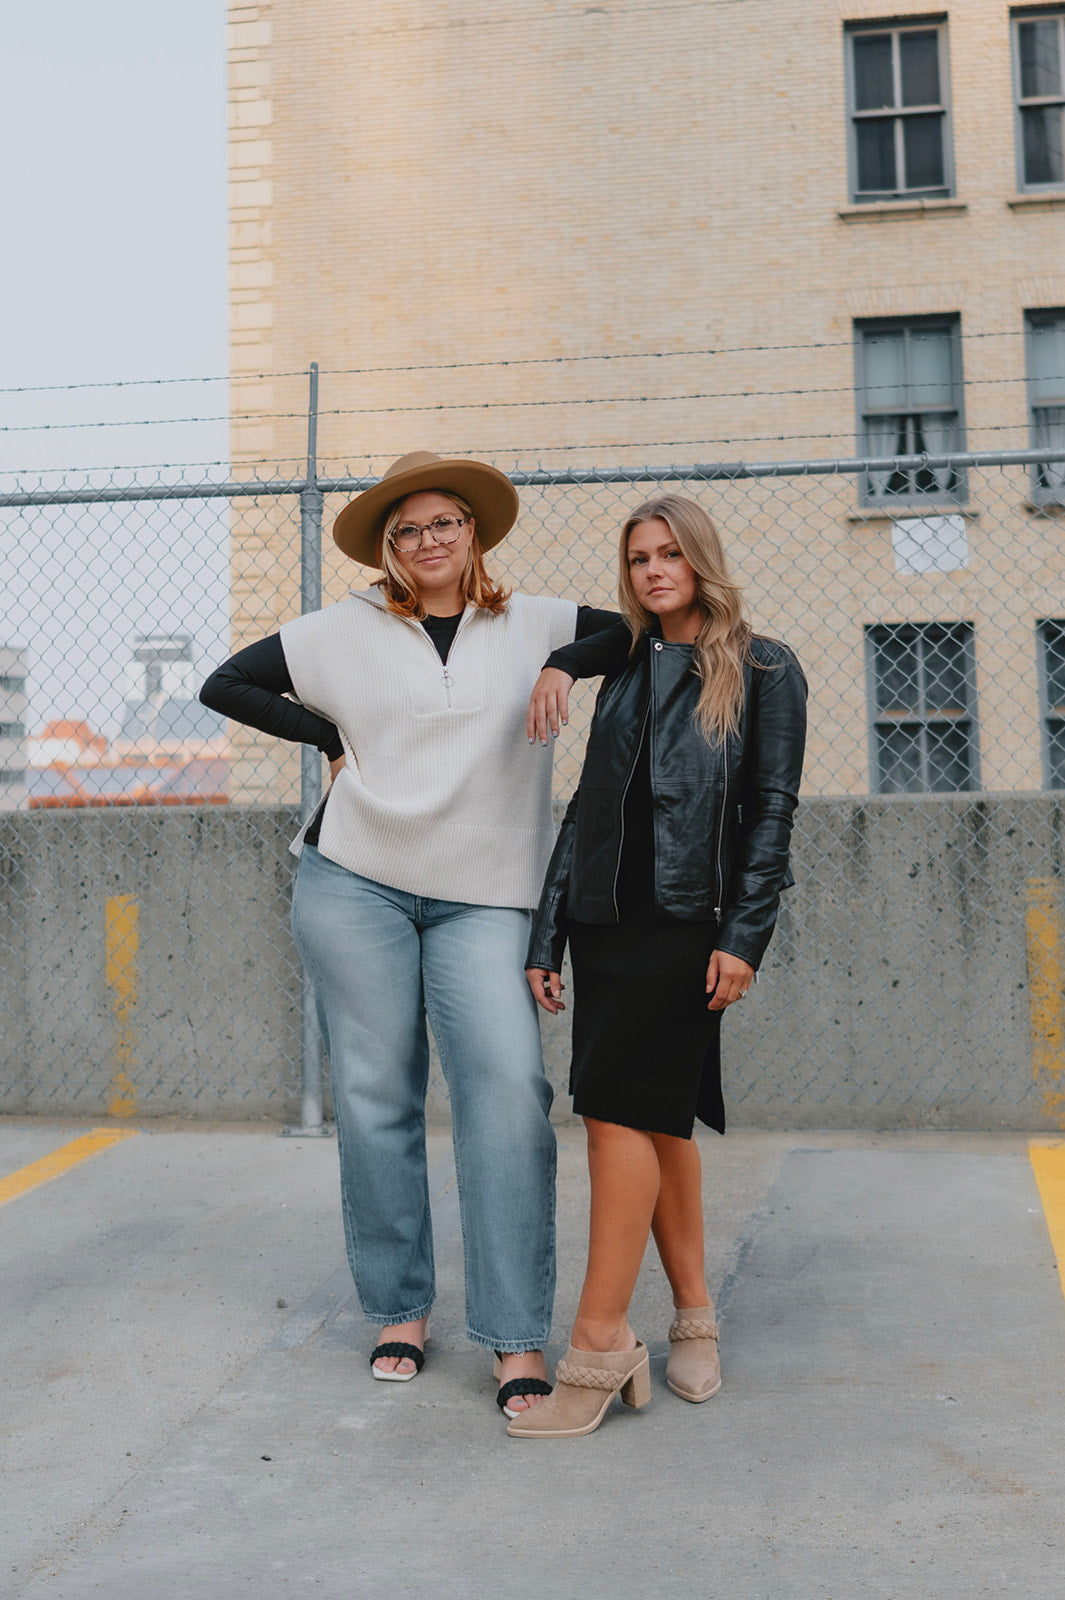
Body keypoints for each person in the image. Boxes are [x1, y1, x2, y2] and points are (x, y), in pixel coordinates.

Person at [200, 451, 625, 1417]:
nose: (429, 540)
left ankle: (515, 1334)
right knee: (377, 1096)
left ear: (472, 533)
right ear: (387, 547)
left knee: (507, 1093)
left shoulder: (537, 623)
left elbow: (633, 634)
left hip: (487, 894)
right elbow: (225, 684)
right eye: (408, 530)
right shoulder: (337, 631)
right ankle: (399, 1310)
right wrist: (325, 737)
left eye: (445, 523)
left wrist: (562, 664)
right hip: (355, 883)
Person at [508, 493, 807, 1439]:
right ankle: (693, 1317)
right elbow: (586, 812)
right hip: (605, 926)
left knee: (613, 1119)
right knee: (655, 1121)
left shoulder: (764, 668)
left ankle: (599, 1343)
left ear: (698, 560)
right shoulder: (626, 666)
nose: (653, 570)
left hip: (689, 926)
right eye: (638, 558)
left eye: (669, 553)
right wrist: (547, 936)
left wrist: (743, 938)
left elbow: (771, 813)